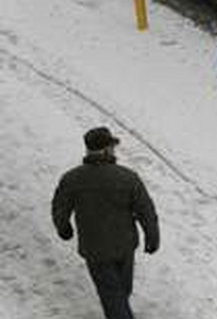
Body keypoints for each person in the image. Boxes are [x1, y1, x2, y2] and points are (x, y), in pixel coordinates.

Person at [52, 126, 159, 319]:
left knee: (113, 295)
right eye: (112, 146)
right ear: (107, 149)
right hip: (125, 246)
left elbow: (59, 207)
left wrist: (63, 227)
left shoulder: (72, 179)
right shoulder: (128, 177)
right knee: (119, 293)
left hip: (95, 249)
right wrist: (152, 235)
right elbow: (145, 209)